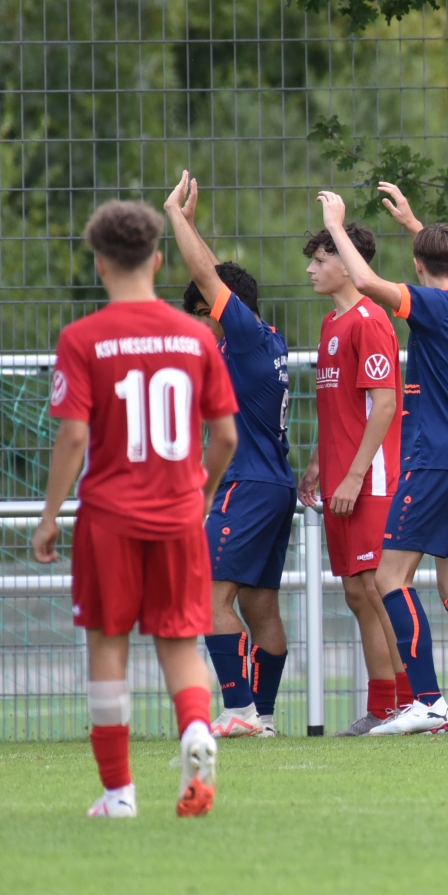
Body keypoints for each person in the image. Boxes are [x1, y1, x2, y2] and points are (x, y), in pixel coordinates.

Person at [34, 200, 238, 818]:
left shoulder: (82, 338)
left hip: (109, 518)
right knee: (178, 642)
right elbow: (226, 436)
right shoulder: (196, 336)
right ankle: (197, 731)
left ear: (99, 263)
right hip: (178, 516)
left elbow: (73, 436)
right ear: (156, 259)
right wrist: (201, 495)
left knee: (108, 646)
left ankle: (119, 794)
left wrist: (49, 515)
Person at [317, 186, 448, 736]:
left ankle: (429, 701)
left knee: (391, 576)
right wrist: (417, 225)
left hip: (433, 455)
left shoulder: (433, 306)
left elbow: (367, 282)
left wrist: (337, 225)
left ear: (418, 267)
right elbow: (441, 264)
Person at [161, 173, 296, 740]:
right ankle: (261, 716)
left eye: (200, 311)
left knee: (208, 596)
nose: (195, 323)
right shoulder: (266, 337)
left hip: (247, 485)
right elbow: (216, 278)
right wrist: (193, 229)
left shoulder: (241, 339)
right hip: (275, 485)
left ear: (219, 310)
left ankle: (237, 708)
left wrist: (174, 216)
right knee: (261, 606)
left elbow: (209, 280)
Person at [300, 219, 407, 737]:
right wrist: (320, 463)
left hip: (371, 480)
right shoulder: (331, 324)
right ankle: (383, 707)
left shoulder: (371, 320)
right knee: (357, 593)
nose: (311, 269)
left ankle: (414, 704)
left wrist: (355, 475)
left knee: (380, 589)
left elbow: (385, 405)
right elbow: (342, 407)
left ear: (347, 264)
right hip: (340, 480)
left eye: (321, 260)